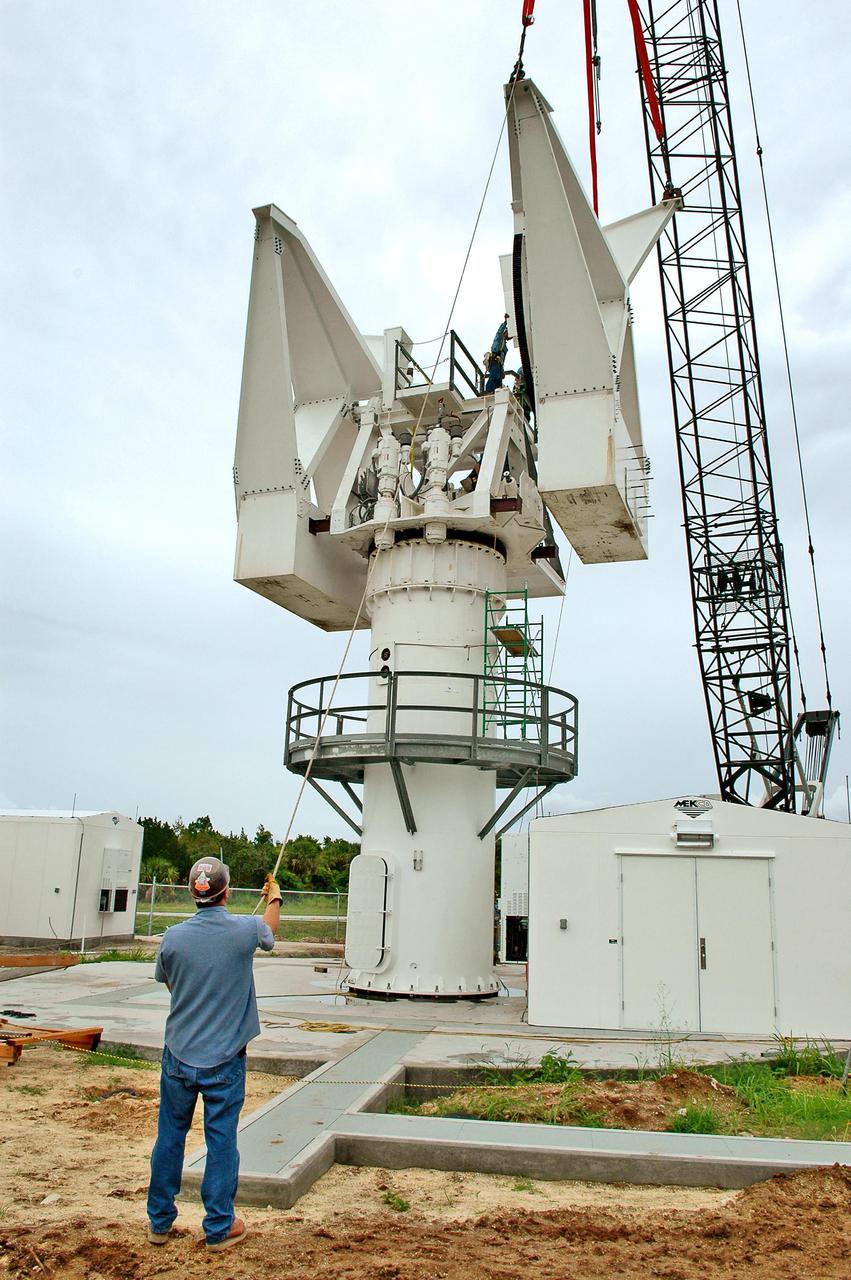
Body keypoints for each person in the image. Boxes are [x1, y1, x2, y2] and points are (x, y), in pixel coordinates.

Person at [146, 857, 282, 1251]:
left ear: (194, 892)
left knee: (170, 1136)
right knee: (221, 1140)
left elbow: (170, 983)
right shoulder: (243, 931)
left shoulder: (172, 937)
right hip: (225, 1058)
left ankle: (159, 1222)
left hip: (179, 1055)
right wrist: (275, 899)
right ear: (227, 891)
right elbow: (268, 933)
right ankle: (219, 1227)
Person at [484, 313, 511, 393]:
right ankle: (489, 391)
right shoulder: (499, 338)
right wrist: (505, 322)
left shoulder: (505, 347)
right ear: (505, 332)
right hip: (495, 360)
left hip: (499, 363)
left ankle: (496, 392)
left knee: (499, 380)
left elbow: (503, 360)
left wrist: (502, 370)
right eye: (508, 333)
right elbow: (499, 332)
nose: (510, 336)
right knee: (494, 376)